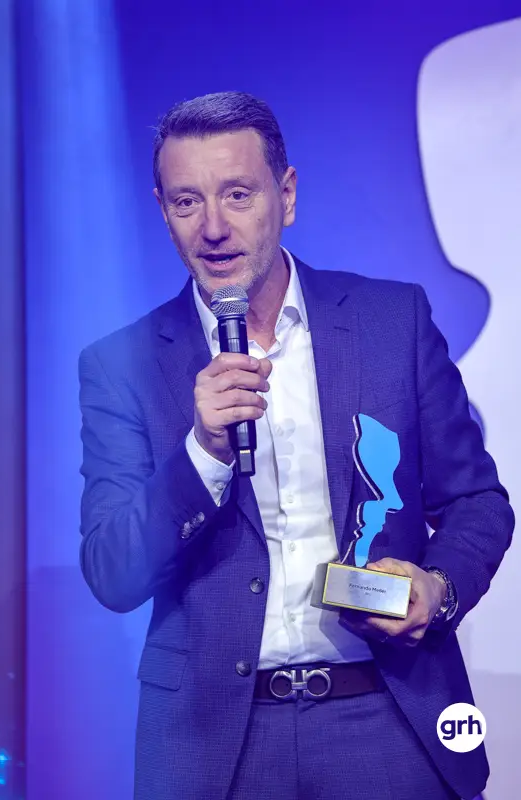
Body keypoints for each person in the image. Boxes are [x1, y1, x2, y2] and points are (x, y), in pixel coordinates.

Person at [78, 91, 514, 800]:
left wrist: (436, 589)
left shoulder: (389, 320)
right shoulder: (119, 365)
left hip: (385, 714)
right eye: (187, 202)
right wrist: (204, 453)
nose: (212, 227)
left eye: (238, 194)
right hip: (215, 740)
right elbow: (112, 571)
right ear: (162, 211)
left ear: (285, 195)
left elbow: (477, 502)